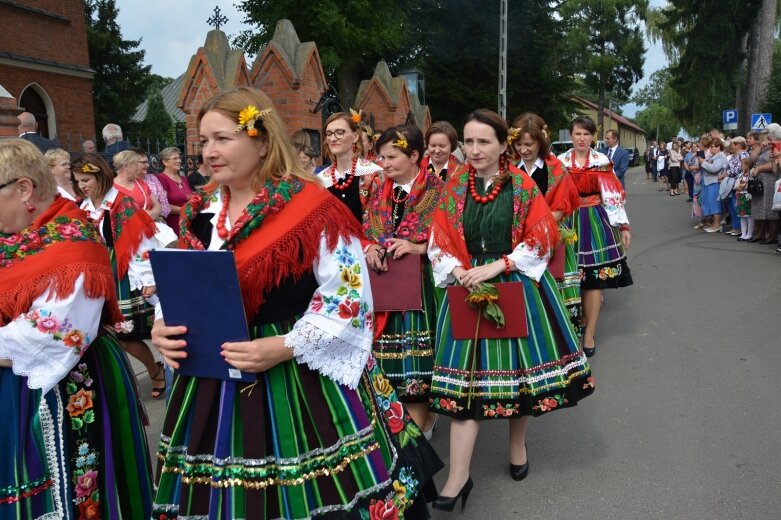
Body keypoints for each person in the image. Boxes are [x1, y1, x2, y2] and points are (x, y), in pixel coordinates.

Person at [150, 86, 441, 518]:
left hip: (298, 369)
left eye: (223, 138)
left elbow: (346, 297)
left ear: (262, 140)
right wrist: (164, 324)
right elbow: (185, 284)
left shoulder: (312, 209)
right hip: (215, 373)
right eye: (204, 140)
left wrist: (283, 346)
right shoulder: (202, 212)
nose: (210, 151)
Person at [428, 109, 594, 512]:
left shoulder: (520, 185)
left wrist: (498, 265)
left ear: (504, 144)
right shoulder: (454, 186)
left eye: (483, 141)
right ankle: (458, 475)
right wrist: (458, 269)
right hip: (468, 286)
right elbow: (440, 237)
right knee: (461, 385)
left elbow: (542, 236)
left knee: (518, 379)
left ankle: (517, 443)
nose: (474, 149)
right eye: (468, 141)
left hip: (514, 283)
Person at [0, 139, 153, 518]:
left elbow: (50, 336)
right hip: (14, 381)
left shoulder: (74, 244)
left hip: (65, 385)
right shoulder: (16, 238)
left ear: (23, 189)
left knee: (71, 494)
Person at [363, 125, 444, 440]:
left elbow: (455, 240)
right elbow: (363, 229)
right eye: (381, 157)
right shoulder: (374, 188)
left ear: (414, 155)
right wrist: (370, 246)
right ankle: (401, 426)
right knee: (385, 364)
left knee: (420, 362)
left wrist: (418, 248)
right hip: (384, 286)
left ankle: (422, 423)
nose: (385, 163)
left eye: (392, 156)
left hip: (423, 287)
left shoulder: (439, 190)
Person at [72, 153, 166, 399]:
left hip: (124, 272)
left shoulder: (122, 204)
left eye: (86, 180)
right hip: (100, 274)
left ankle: (164, 370)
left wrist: (148, 279)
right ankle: (155, 370)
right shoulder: (84, 206)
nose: (82, 186)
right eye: (78, 181)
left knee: (137, 330)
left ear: (100, 176)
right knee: (116, 335)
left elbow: (141, 240)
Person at [558, 116, 633, 357]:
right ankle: (579, 320)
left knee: (593, 279)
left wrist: (623, 227)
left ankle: (589, 332)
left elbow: (612, 197)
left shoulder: (601, 160)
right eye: (578, 134)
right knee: (572, 276)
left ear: (593, 137)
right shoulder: (559, 162)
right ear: (571, 136)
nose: (582, 138)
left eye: (586, 134)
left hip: (595, 220)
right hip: (568, 220)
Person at [509, 112, 582, 335]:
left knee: (554, 290)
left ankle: (561, 340)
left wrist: (535, 229)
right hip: (517, 241)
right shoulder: (509, 169)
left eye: (529, 144)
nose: (524, 149)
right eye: (519, 144)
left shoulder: (555, 168)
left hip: (549, 238)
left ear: (541, 142)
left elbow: (560, 209)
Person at [317, 110, 383, 222]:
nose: (332, 139)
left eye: (339, 132)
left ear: (355, 136)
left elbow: (380, 220)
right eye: (328, 134)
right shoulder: (321, 180)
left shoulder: (373, 173)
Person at [748, 126, 781, 244]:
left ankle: (772, 235)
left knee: (771, 210)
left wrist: (760, 168)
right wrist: (758, 148)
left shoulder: (777, 146)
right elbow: (752, 160)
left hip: (771, 181)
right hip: (762, 181)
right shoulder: (764, 148)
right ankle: (759, 233)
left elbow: (775, 167)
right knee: (760, 208)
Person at [112, 150, 163, 220]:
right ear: (126, 166)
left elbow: (157, 206)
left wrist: (152, 214)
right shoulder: (112, 188)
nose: (138, 169)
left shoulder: (140, 182)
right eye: (136, 165)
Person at [155, 147, 193, 230]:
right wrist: (183, 210)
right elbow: (162, 204)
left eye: (179, 158)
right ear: (165, 162)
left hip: (188, 222)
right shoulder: (161, 178)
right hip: (172, 223)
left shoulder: (184, 179)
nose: (179, 161)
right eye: (175, 158)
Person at [132, 146, 172, 222]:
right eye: (143, 162)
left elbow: (164, 202)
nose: (147, 165)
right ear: (132, 163)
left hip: (158, 222)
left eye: (147, 162)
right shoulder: (128, 181)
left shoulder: (152, 178)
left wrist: (158, 217)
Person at [698, 137, 728, 233]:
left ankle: (717, 224)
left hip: (714, 183)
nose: (710, 148)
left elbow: (714, 168)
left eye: (712, 146)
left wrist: (703, 163)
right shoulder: (713, 157)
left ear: (718, 147)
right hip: (709, 182)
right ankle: (714, 223)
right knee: (710, 203)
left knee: (715, 204)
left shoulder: (721, 157)